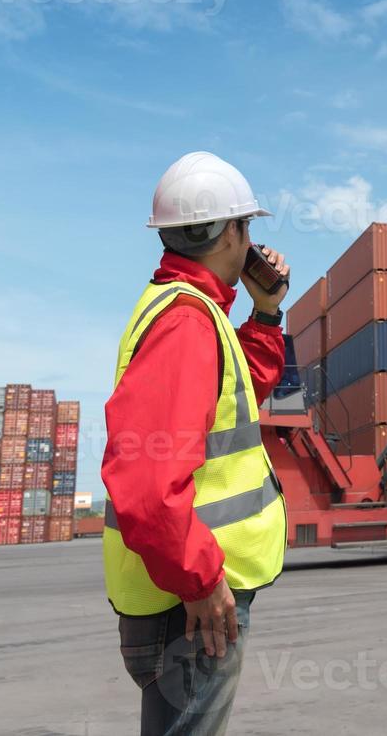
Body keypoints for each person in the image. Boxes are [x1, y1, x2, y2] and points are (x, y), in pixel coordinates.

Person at [102, 151, 290, 736]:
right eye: (248, 227)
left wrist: (266, 314)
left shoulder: (194, 311)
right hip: (189, 603)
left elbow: (235, 402)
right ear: (230, 231)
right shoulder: (187, 322)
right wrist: (201, 581)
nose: (251, 242)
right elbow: (148, 484)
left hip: (181, 591)